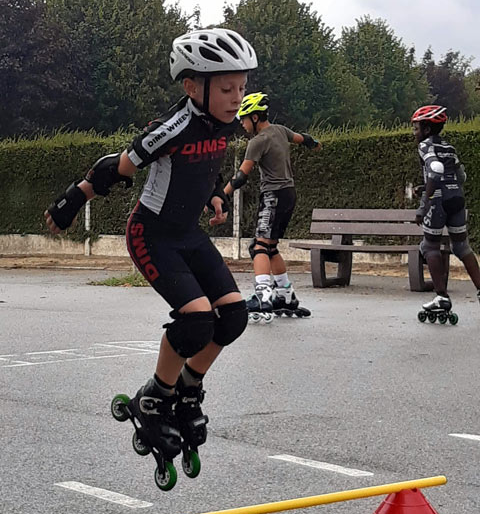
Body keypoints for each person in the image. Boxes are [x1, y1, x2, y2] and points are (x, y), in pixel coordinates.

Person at [44, 28, 257, 489]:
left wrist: (214, 197)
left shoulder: (222, 122)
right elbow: (114, 167)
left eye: (241, 86)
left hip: (188, 233)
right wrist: (72, 200)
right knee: (197, 322)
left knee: (234, 317)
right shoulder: (171, 128)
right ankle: (155, 396)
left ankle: (188, 386)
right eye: (226, 88)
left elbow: (208, 164)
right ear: (191, 86)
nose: (237, 97)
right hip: (151, 234)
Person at [223, 92, 320, 319]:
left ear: (255, 117)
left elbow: (241, 177)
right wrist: (314, 144)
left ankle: (262, 295)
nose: (242, 124)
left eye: (244, 119)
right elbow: (302, 138)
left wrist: (221, 195)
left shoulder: (258, 142)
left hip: (273, 196)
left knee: (259, 247)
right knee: (271, 246)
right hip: (289, 194)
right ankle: (285, 295)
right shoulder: (280, 130)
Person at [412, 105, 480, 319]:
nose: (414, 133)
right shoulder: (449, 148)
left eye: (416, 128)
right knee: (461, 246)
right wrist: (428, 186)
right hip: (456, 198)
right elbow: (461, 177)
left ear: (427, 128)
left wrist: (424, 205)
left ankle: (441, 296)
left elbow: (436, 170)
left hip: (439, 202)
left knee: (429, 246)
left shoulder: (425, 146)